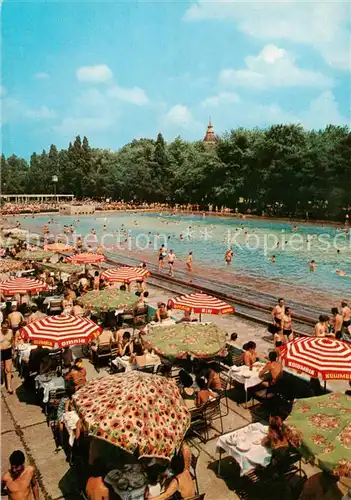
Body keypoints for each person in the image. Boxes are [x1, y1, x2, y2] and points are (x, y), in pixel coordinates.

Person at [0, 320, 14, 394]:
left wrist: (13, 350)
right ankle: (2, 382)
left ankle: (9, 387)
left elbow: (12, 341)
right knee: (1, 368)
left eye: (6, 328)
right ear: (1, 327)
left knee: (8, 370)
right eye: (3, 328)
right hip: (0, 351)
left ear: (8, 327)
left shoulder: (10, 331)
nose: (5, 329)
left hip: (8, 351)